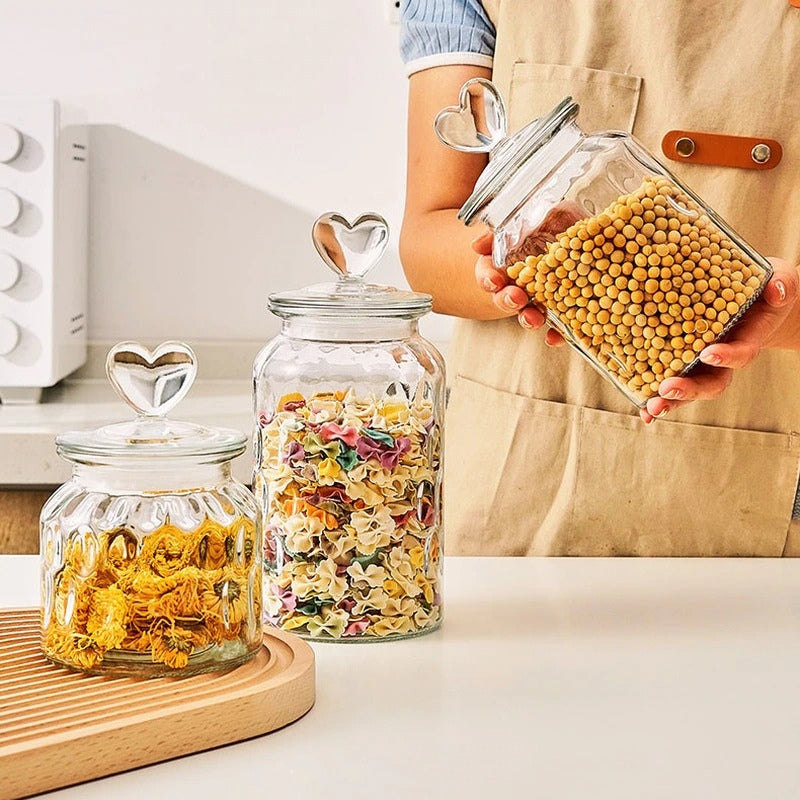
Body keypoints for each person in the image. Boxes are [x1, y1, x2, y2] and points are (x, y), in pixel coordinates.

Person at [398, 0, 800, 557]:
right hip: (522, 492)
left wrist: (773, 313)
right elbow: (426, 240)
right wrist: (507, 265)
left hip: (758, 501)